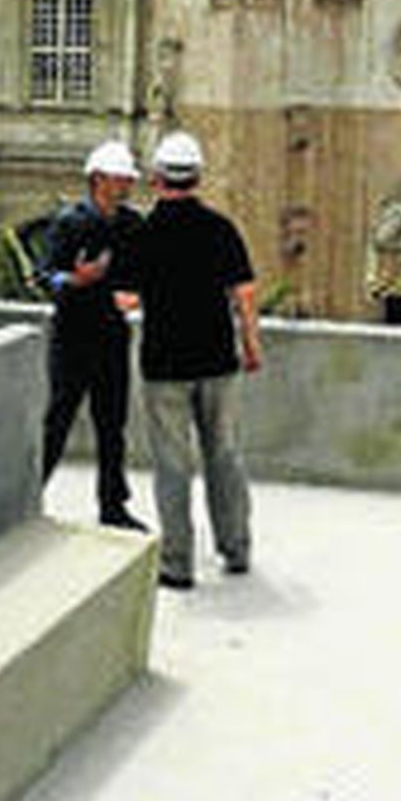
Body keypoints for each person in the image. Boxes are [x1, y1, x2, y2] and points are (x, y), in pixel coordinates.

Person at [127, 130, 262, 588]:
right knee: (223, 455)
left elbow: (125, 299)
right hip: (218, 362)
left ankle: (177, 564)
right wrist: (251, 344)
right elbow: (243, 293)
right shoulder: (221, 229)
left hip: (164, 366)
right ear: (198, 176)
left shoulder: (143, 234)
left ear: (156, 177)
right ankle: (236, 548)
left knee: (173, 464)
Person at [39, 140, 147, 530]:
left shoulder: (132, 225)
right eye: (121, 178)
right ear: (98, 179)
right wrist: (75, 279)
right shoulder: (70, 223)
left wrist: (137, 295)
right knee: (59, 418)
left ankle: (112, 506)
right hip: (72, 337)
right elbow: (44, 276)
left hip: (112, 337)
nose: (126, 185)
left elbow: (147, 272)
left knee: (111, 425)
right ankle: (29, 494)